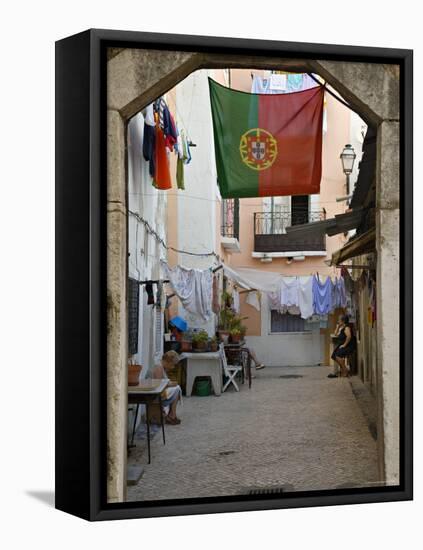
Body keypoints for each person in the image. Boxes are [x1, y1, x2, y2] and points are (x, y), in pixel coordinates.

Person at [150, 351, 182, 424]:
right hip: (153, 395)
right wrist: (170, 384)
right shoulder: (159, 368)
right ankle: (172, 415)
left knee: (177, 388)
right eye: (172, 365)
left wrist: (170, 384)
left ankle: (172, 415)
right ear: (168, 362)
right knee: (177, 389)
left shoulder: (162, 367)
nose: (173, 367)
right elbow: (158, 386)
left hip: (157, 392)